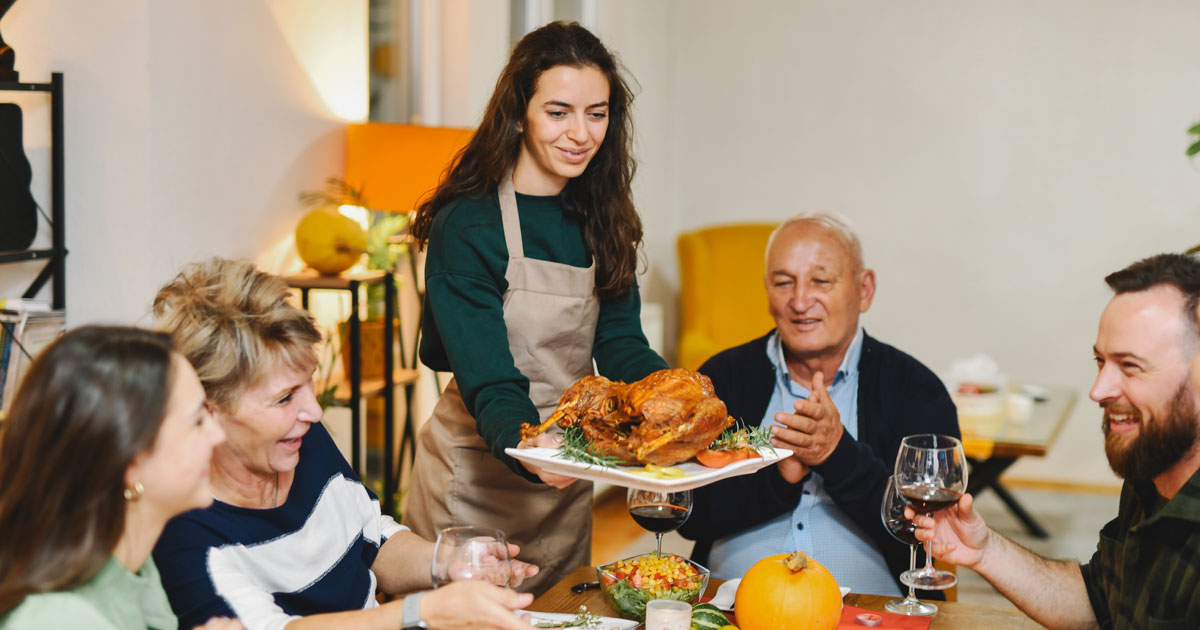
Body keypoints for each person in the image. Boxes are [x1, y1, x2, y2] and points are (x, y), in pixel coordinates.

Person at [404, 21, 668, 595]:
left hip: (563, 477)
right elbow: (490, 378)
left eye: (596, 113)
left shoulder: (605, 218)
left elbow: (621, 345)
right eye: (558, 112)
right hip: (476, 470)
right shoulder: (468, 225)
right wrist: (531, 442)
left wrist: (672, 400)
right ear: (519, 111)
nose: (581, 133)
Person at [150, 259, 538, 630]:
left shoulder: (299, 440)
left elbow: (369, 537)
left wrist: (446, 562)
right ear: (207, 410)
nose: (315, 412)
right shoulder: (184, 533)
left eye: (309, 381)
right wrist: (420, 612)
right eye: (284, 398)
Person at [677, 211, 959, 596]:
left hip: (870, 613)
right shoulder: (723, 378)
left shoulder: (916, 388)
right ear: (767, 290)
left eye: (821, 281)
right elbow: (688, 516)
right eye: (783, 282)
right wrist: (778, 477)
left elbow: (931, 530)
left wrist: (836, 454)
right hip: (729, 609)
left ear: (864, 290)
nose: (799, 300)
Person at [911, 253, 1200, 629]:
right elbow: (1097, 604)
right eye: (1101, 362)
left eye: (1130, 366)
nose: (1099, 390)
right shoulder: (1149, 474)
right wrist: (983, 550)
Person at [0, 326, 236, 630]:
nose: (218, 435)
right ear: (130, 459)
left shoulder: (133, 564)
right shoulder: (58, 620)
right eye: (198, 421)